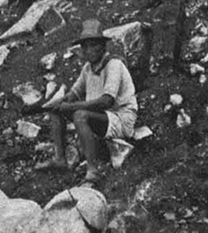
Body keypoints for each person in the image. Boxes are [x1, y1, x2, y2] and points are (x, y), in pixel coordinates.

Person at [36, 19, 138, 187]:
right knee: (56, 111)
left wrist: (71, 106)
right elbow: (74, 93)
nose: (88, 50)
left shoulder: (114, 65)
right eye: (85, 46)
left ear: (102, 46)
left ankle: (93, 171)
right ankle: (60, 160)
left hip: (120, 118)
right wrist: (59, 103)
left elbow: (107, 101)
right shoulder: (88, 69)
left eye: (92, 45)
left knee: (80, 115)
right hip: (102, 117)